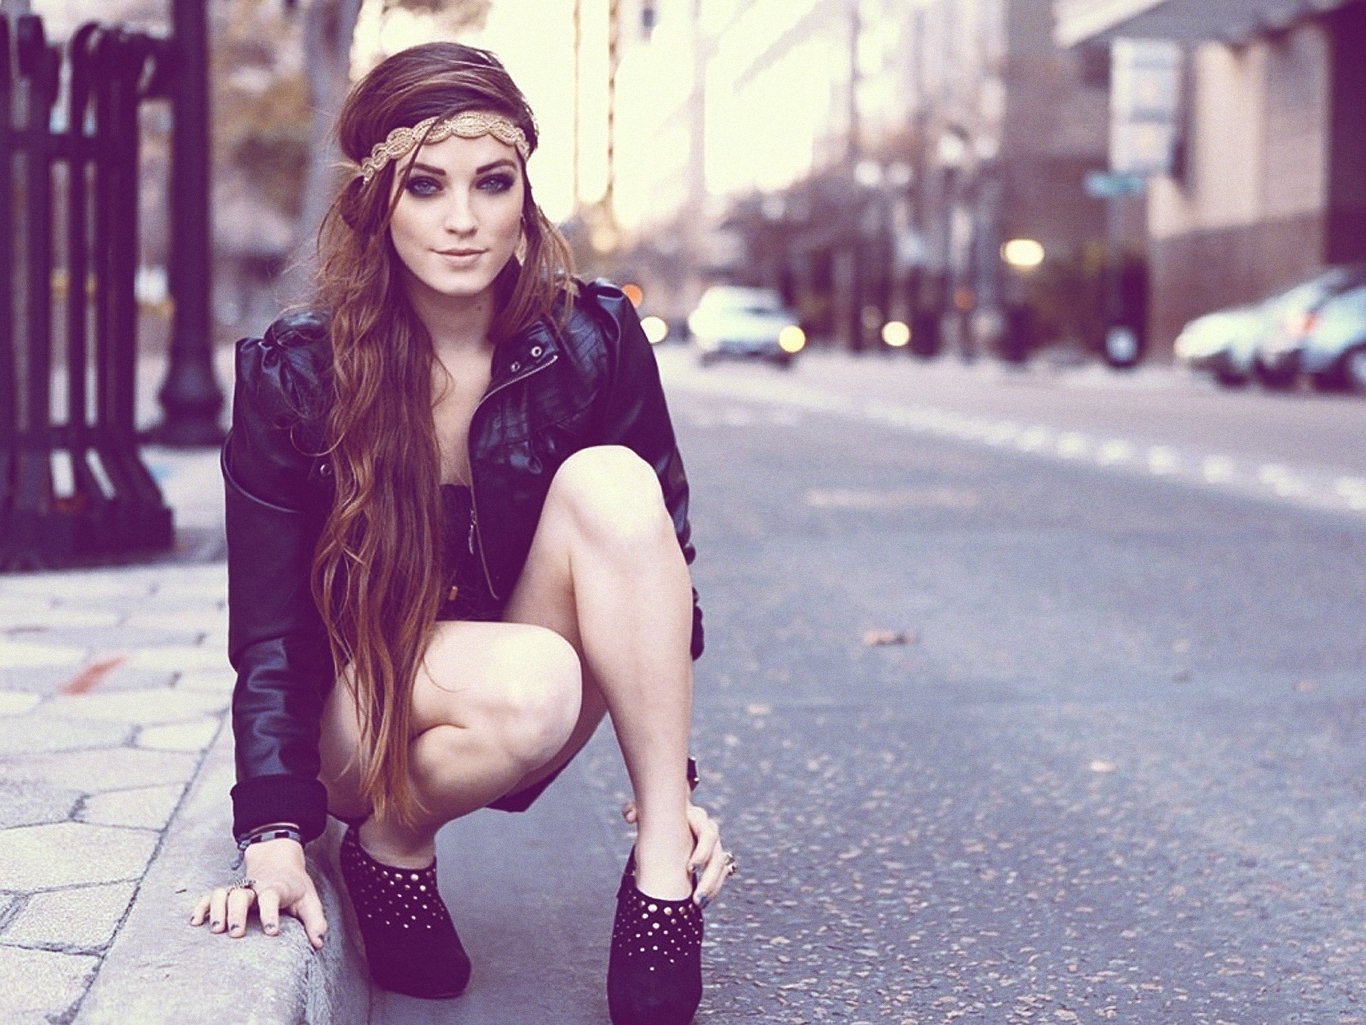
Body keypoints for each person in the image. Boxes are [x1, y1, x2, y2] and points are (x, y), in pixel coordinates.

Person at [189, 41, 732, 1025]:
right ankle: (387, 839)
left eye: (493, 183)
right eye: (426, 185)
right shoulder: (295, 373)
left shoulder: (597, 338)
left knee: (613, 487)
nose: (461, 218)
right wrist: (271, 826)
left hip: (520, 677)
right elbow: (269, 629)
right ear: (377, 199)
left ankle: (659, 864)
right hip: (358, 706)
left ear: (525, 194)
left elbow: (656, 575)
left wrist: (678, 787)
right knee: (536, 678)